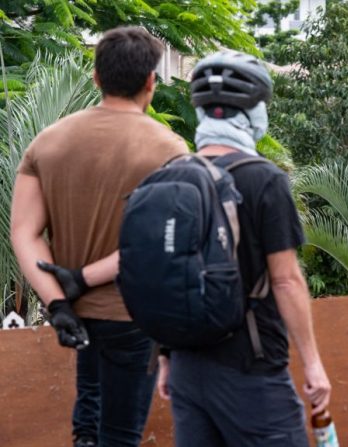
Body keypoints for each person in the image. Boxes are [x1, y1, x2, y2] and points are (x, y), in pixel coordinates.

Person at [10, 27, 189, 447]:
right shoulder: (171, 151)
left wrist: (57, 301)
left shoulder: (47, 143)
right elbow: (161, 244)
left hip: (74, 313)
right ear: (151, 81)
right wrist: (84, 277)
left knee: (87, 425)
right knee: (120, 435)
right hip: (134, 315)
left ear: (95, 77)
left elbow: (24, 231)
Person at [151, 51, 331, 446]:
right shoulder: (265, 180)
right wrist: (313, 365)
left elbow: (167, 275)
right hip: (250, 368)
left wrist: (166, 356)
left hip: (186, 367)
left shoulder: (172, 176)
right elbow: (285, 281)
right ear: (251, 112)